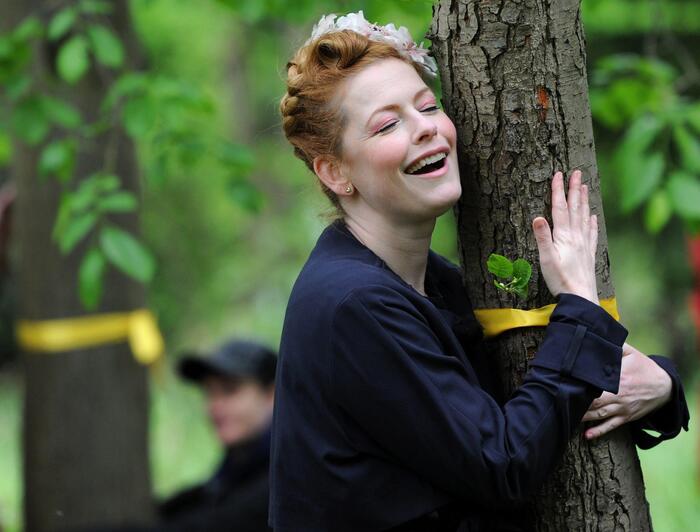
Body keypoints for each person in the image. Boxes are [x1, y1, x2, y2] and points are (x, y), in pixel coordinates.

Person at [270, 11, 690, 532]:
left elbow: (531, 407)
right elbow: (504, 461)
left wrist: (662, 385)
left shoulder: (436, 285)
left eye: (428, 106)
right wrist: (579, 306)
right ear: (335, 171)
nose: (426, 127)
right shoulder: (353, 306)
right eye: (388, 123)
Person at [159, 339, 276, 532]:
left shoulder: (285, 481)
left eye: (229, 391)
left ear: (271, 395)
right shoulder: (232, 470)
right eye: (209, 393)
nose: (214, 406)